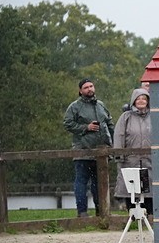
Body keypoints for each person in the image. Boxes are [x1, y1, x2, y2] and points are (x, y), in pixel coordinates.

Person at [63, 78, 115, 217]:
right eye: (86, 87)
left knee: (99, 183)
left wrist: (113, 143)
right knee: (81, 182)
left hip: (101, 151)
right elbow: (67, 124)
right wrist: (86, 127)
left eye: (91, 86)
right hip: (83, 151)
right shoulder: (74, 106)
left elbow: (110, 123)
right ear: (80, 91)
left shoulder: (101, 105)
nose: (89, 89)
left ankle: (101, 211)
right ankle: (82, 212)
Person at [113, 87, 153, 215]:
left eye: (144, 98)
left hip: (149, 159)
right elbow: (119, 136)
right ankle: (133, 217)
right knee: (132, 188)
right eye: (138, 98)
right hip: (131, 159)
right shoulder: (126, 117)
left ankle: (150, 216)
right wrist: (119, 155)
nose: (141, 101)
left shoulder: (154, 116)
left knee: (149, 188)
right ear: (133, 101)